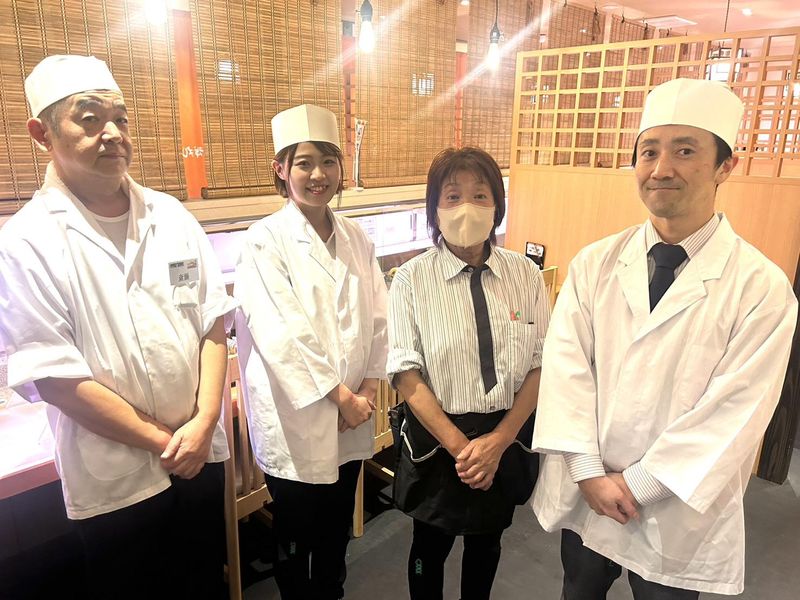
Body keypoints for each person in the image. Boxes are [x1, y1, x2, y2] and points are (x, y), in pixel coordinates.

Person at [531, 77, 798, 598]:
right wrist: (588, 472)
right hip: (588, 488)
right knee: (578, 590)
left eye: (685, 151)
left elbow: (736, 410)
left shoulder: (761, 287)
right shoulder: (595, 263)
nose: (661, 168)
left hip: (675, 504)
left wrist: (638, 484)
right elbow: (566, 368)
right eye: (649, 151)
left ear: (725, 166)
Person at [0, 55, 237, 599]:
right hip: (117, 482)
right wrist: (169, 443)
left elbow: (212, 323)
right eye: (89, 119)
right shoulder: (27, 241)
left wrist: (204, 422)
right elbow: (57, 380)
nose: (112, 133)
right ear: (42, 134)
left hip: (200, 456)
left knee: (206, 584)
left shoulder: (170, 216)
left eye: (120, 119)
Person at [234, 104, 388, 600]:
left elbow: (378, 315)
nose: (318, 174)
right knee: (296, 535)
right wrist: (342, 397)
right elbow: (282, 333)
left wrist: (367, 390)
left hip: (352, 413)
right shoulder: (264, 241)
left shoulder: (356, 236)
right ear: (281, 169)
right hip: (297, 420)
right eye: (303, 162)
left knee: (335, 531)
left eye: (327, 161)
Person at [387, 147, 549, 600]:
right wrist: (463, 450)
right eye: (452, 196)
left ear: (497, 205)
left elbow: (542, 363)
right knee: (428, 547)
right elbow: (405, 373)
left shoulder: (525, 275)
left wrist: (497, 443)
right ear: (435, 209)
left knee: (487, 544)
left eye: (480, 195)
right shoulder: (411, 279)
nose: (466, 207)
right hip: (439, 439)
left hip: (504, 434)